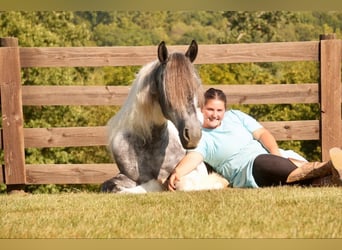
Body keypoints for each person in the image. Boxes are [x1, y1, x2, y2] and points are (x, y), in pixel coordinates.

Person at [168, 88, 342, 190]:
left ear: (225, 110)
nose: (215, 115)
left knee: (278, 165)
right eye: (210, 110)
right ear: (201, 109)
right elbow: (193, 157)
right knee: (263, 162)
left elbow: (262, 134)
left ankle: (328, 179)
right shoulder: (202, 137)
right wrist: (177, 173)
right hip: (249, 170)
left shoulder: (235, 116)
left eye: (219, 110)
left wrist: (276, 154)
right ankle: (327, 166)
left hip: (272, 158)